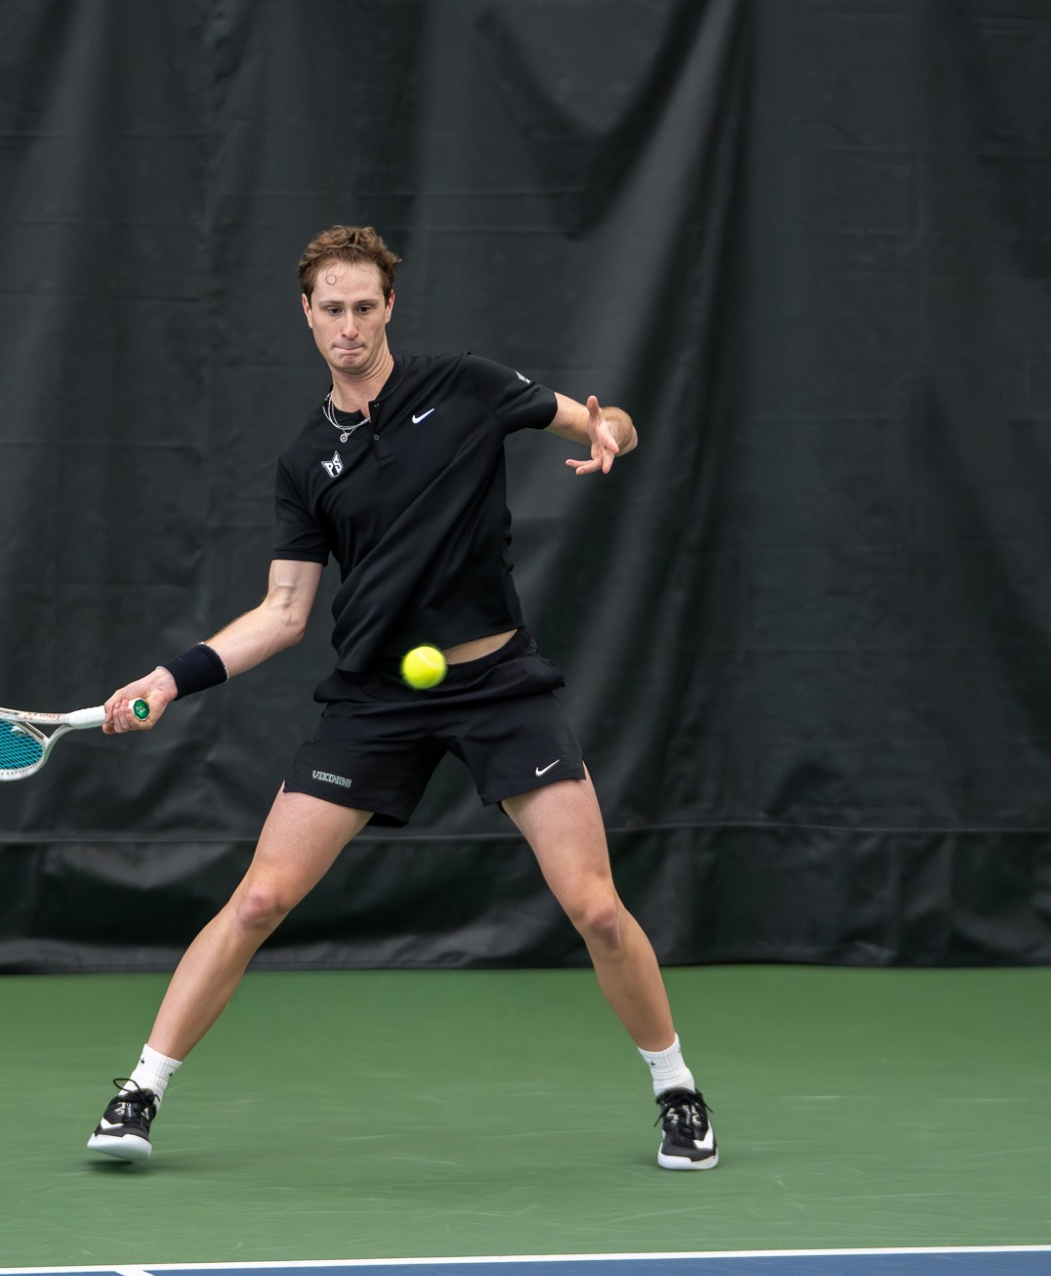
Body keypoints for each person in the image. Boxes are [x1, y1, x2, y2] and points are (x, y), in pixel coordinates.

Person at [86, 225, 714, 1172]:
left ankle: (678, 1091)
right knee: (258, 898)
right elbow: (284, 610)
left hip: (500, 682)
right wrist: (173, 677)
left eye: (364, 307)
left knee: (593, 906)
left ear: (389, 308)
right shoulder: (306, 463)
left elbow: (600, 419)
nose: (348, 326)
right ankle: (139, 1092)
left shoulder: (464, 386)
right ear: (306, 314)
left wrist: (613, 435)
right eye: (330, 309)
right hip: (380, 696)